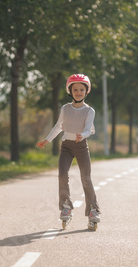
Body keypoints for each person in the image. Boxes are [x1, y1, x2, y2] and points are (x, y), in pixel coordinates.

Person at [36, 73, 100, 229]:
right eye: (75, 89)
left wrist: (82, 136)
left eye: (81, 89)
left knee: (86, 178)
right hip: (66, 146)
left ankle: (93, 210)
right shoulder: (65, 108)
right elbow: (59, 126)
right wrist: (47, 140)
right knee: (63, 175)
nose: (78, 92)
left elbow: (88, 129)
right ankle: (66, 207)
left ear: (87, 91)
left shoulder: (89, 111)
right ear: (70, 91)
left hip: (81, 146)